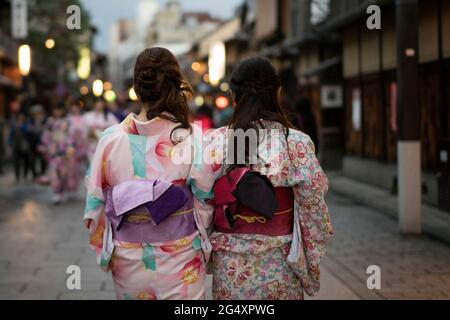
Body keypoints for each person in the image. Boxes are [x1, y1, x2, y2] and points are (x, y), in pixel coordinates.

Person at [83, 47, 216, 300]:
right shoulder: (192, 138)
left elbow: (95, 205)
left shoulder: (109, 140)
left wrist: (110, 246)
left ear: (136, 88)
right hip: (181, 255)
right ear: (176, 85)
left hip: (128, 258)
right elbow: (205, 200)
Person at [207, 57, 333, 300]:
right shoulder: (295, 142)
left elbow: (202, 200)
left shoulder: (216, 142)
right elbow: (313, 206)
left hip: (231, 266)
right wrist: (309, 250)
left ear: (233, 96)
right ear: (277, 93)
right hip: (279, 261)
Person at [40, 103, 77, 204]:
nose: (57, 112)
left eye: (59, 110)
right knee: (55, 172)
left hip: (64, 149)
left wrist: (70, 146)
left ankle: (62, 191)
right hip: (53, 149)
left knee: (64, 173)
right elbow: (46, 135)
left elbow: (71, 135)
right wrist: (45, 145)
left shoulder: (67, 122)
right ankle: (56, 192)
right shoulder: (50, 121)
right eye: (55, 110)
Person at [8, 112, 32, 182]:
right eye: (20, 116)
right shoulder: (14, 124)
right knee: (16, 161)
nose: (21, 118)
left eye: (22, 116)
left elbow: (28, 132)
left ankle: (25, 175)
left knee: (26, 161)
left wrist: (22, 126)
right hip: (16, 145)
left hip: (25, 145)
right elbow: (11, 134)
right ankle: (17, 176)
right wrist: (10, 142)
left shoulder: (27, 124)